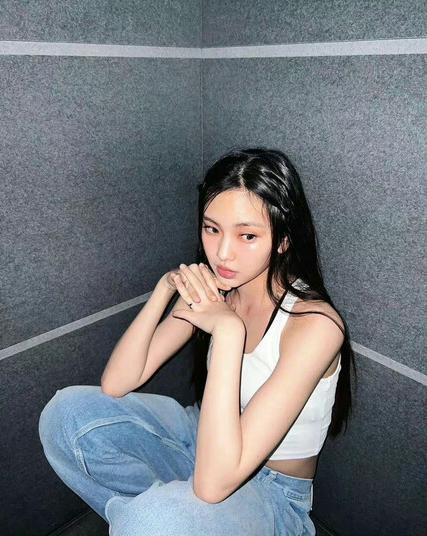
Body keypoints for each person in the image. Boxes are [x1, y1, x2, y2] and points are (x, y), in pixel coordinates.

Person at [39, 147, 357, 536]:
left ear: (283, 240)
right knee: (64, 417)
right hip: (198, 438)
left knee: (152, 523)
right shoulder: (215, 289)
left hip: (272, 493)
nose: (223, 253)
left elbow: (212, 485)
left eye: (247, 235)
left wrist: (228, 331)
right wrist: (164, 290)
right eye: (212, 229)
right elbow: (117, 382)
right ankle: (155, 517)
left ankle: (155, 519)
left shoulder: (315, 325)